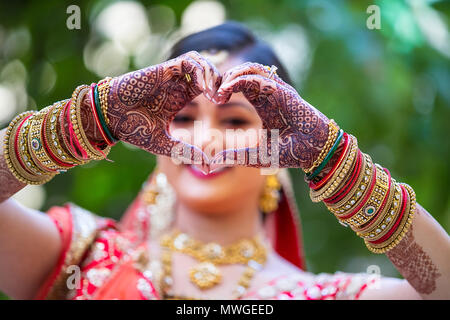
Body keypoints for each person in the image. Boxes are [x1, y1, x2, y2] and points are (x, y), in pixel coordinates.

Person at [0, 22, 449, 300]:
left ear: (283, 146)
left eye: (235, 121)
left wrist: (336, 162)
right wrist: (89, 118)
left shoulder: (319, 296)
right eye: (183, 116)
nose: (206, 140)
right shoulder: (84, 258)